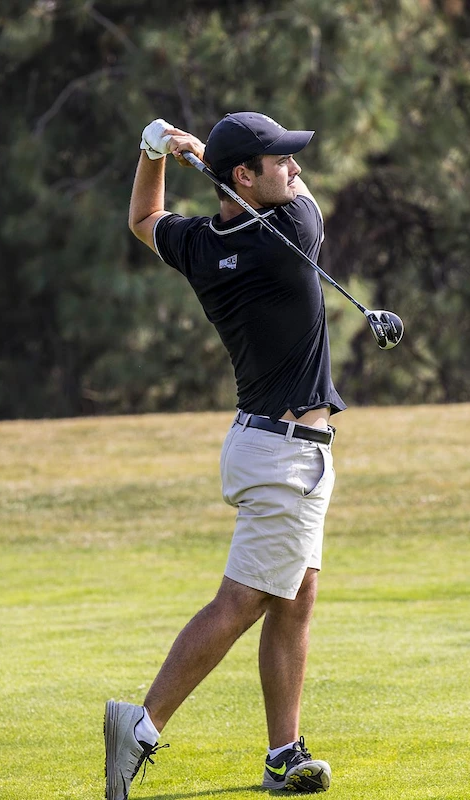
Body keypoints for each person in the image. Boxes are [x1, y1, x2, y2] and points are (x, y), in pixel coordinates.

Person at [103, 111, 344, 800]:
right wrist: (198, 150)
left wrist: (155, 148)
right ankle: (140, 726)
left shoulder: (205, 246)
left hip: (267, 446)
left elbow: (144, 218)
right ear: (244, 176)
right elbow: (303, 203)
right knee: (243, 600)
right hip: (285, 457)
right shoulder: (291, 234)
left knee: (294, 596)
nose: (294, 171)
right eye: (280, 162)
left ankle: (283, 754)